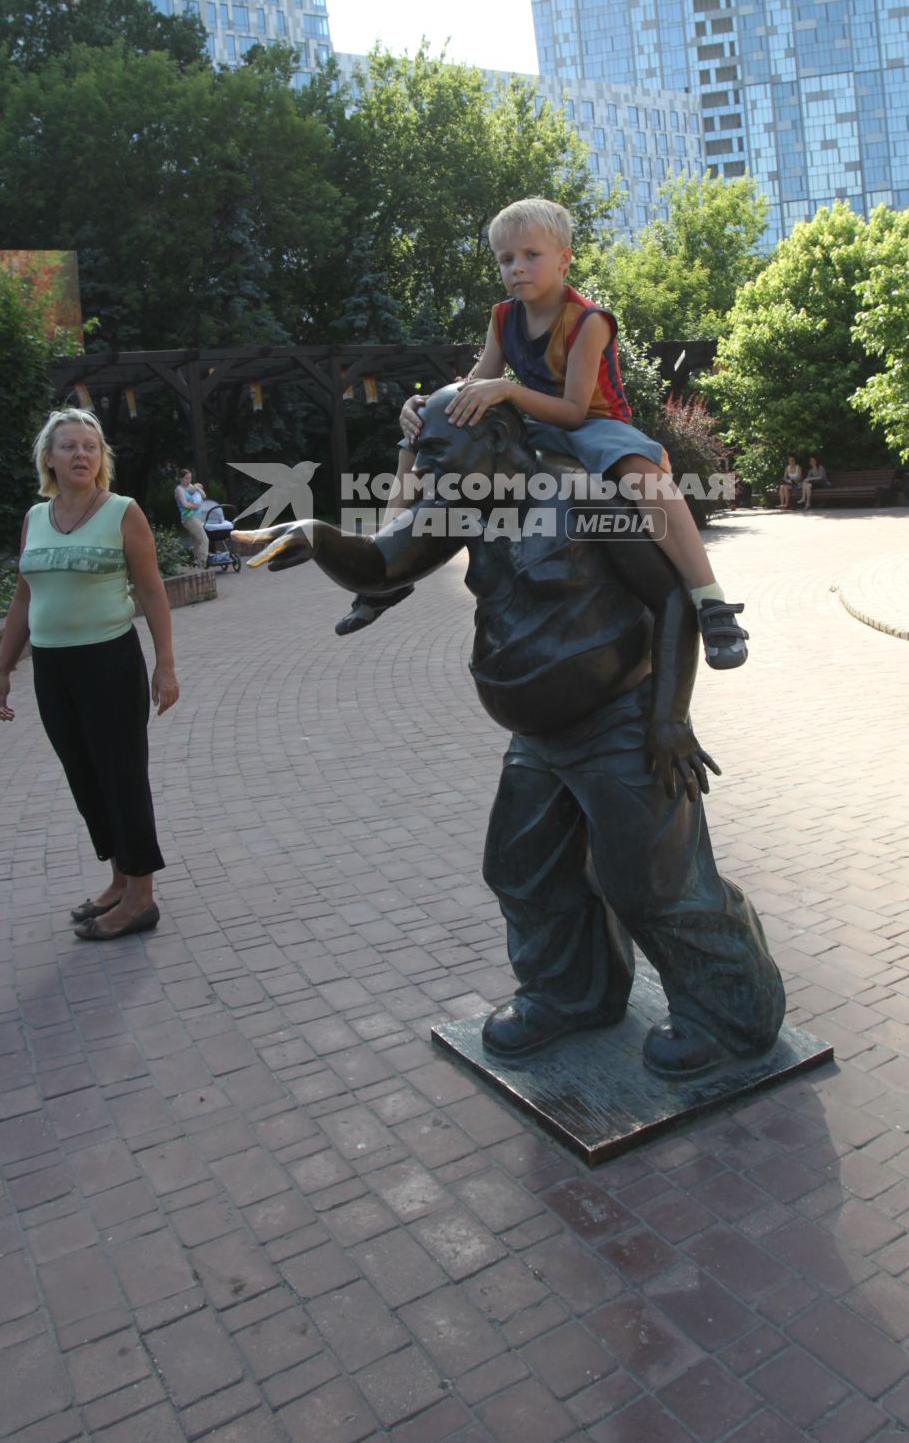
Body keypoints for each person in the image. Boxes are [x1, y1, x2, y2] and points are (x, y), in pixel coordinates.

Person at [241, 389, 784, 1076]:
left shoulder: (584, 498)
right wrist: (317, 536)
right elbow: (383, 562)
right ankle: (570, 995)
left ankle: (733, 1017)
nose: (425, 469)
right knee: (524, 871)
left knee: (654, 884)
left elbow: (671, 597)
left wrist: (670, 719)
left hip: (622, 724)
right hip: (538, 739)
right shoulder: (460, 505)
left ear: (495, 438)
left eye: (437, 453)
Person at [338, 197, 748, 670]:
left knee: (641, 472)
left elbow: (574, 411)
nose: (518, 268)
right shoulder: (502, 317)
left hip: (594, 423)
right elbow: (474, 385)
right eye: (506, 259)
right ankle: (387, 568)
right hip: (533, 420)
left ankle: (709, 599)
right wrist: (425, 407)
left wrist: (507, 390)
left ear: (564, 258)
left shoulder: (588, 321)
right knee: (415, 441)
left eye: (531, 255)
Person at [0, 407, 179, 939]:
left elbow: (151, 590)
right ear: (49, 457)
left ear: (102, 458)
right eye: (69, 446)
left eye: (90, 447)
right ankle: (119, 880)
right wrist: (3, 669)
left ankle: (141, 896)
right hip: (52, 667)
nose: (80, 455)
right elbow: (25, 597)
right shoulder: (35, 517)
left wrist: (165, 665)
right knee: (86, 776)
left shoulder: (122, 511)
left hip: (109, 662)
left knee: (121, 775)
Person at [174, 468, 209, 567]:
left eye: (190, 478)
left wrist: (197, 488)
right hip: (188, 518)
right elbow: (185, 504)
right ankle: (202, 562)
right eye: (186, 478)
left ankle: (195, 562)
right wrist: (195, 506)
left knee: (197, 541)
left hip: (197, 516)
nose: (188, 480)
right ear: (180, 479)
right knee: (204, 539)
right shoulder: (179, 490)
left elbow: (204, 496)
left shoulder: (191, 487)